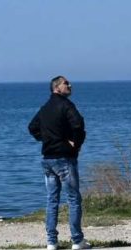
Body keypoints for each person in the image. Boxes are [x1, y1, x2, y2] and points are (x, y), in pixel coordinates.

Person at [28, 75, 91, 250]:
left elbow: (32, 128)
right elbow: (79, 124)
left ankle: (51, 242)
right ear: (56, 87)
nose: (70, 85)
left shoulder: (45, 108)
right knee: (73, 199)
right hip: (64, 159)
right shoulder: (66, 105)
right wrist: (74, 144)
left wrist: (47, 139)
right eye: (66, 83)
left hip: (47, 159)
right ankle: (77, 241)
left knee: (52, 200)